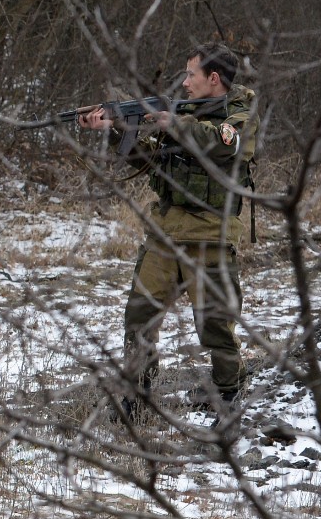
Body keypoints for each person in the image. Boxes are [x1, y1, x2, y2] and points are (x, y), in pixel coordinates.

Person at [76, 42, 257, 428]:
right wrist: (115, 129)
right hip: (166, 231)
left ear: (213, 79)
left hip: (210, 233)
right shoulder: (184, 113)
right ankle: (137, 397)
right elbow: (145, 161)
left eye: (191, 74)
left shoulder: (240, 115)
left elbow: (221, 144)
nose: (185, 82)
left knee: (215, 324)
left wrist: (171, 122)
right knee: (139, 317)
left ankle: (228, 392)